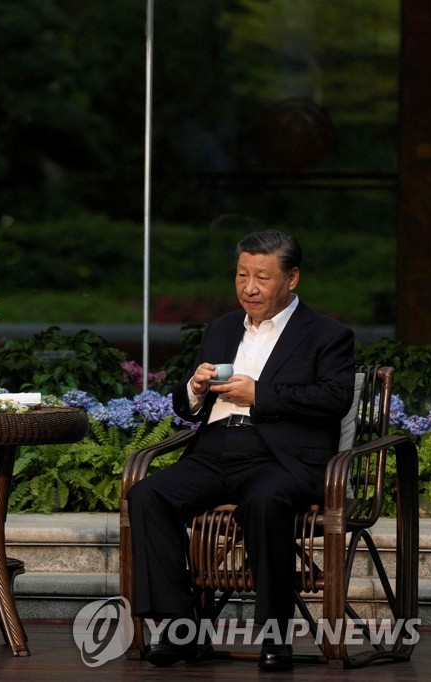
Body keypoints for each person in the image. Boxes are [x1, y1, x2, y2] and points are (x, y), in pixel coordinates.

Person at [126, 229, 355, 672]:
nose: (249, 287)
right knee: (147, 495)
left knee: (265, 500)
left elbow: (334, 398)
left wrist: (260, 394)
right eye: (242, 275)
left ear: (292, 279)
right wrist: (193, 389)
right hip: (214, 450)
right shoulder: (222, 328)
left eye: (262, 278)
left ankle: (275, 638)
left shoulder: (327, 335)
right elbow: (188, 408)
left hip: (281, 458)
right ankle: (179, 629)